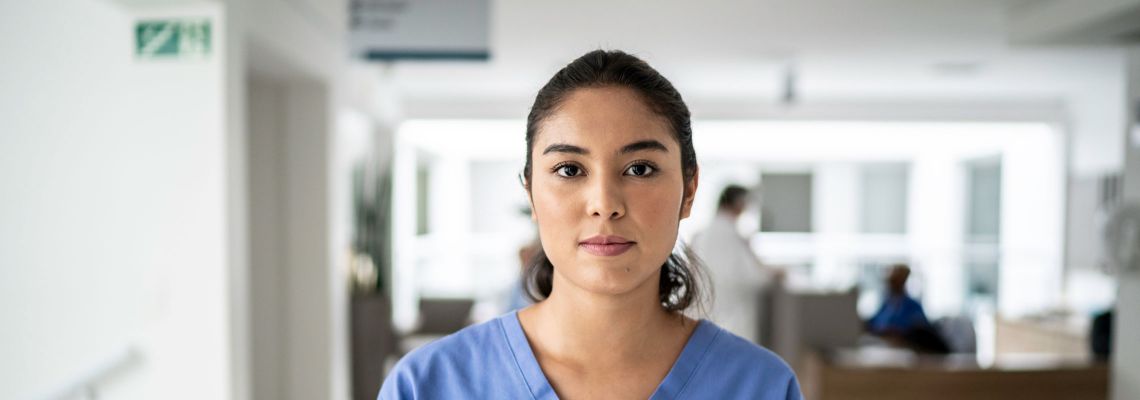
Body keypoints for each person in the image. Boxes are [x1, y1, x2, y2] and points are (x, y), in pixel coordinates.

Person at [379, 50, 801, 399]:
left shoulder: (761, 387)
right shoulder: (428, 385)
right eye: (568, 169)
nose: (604, 204)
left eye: (639, 169)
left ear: (689, 191)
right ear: (531, 195)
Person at [691, 185, 773, 344]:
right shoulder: (733, 237)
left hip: (705, 321)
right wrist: (772, 273)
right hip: (734, 322)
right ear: (739, 204)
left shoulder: (700, 235)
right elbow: (755, 279)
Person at [866, 264, 948, 353]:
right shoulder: (886, 304)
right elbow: (873, 323)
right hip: (883, 346)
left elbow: (921, 331)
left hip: (905, 350)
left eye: (896, 281)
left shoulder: (913, 306)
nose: (892, 285)